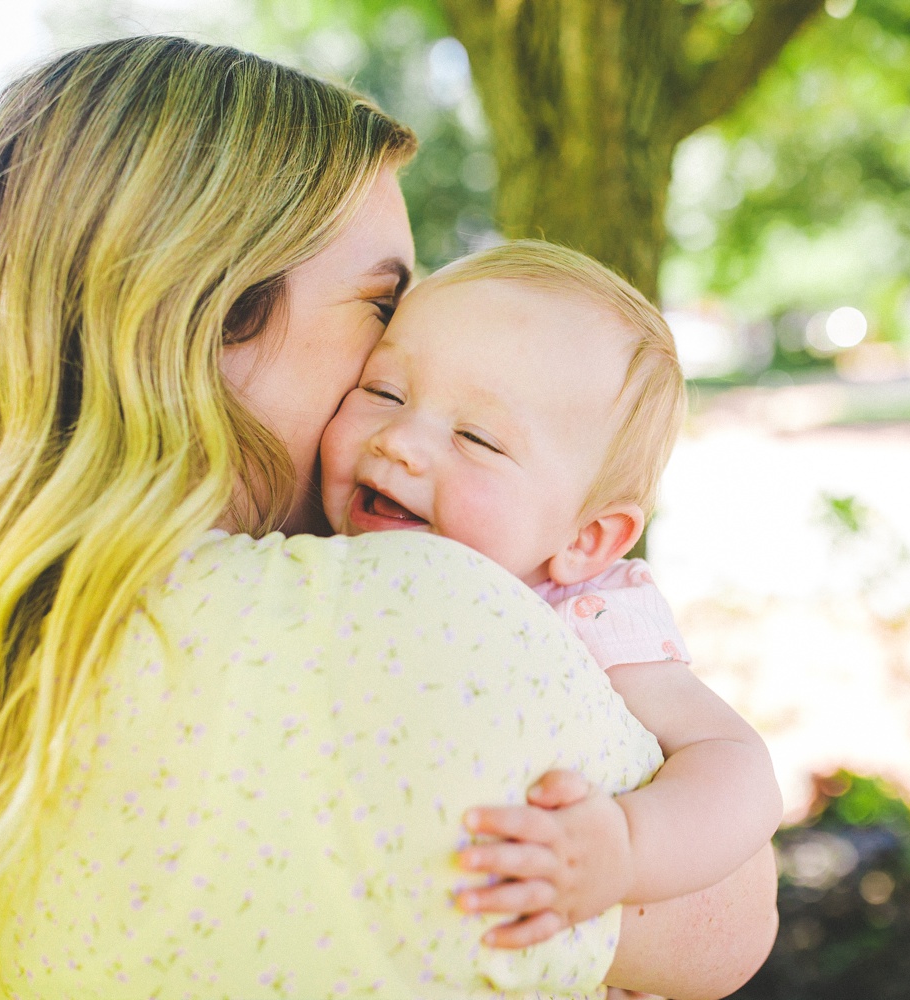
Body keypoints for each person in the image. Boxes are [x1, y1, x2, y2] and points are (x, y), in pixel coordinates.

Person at [0, 36, 778, 1000]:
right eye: (384, 304)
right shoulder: (403, 616)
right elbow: (727, 925)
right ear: (214, 317)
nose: (411, 357)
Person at [319, 240, 784, 945]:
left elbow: (739, 765)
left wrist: (626, 848)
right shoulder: (307, 559)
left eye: (476, 437)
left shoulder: (586, 614)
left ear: (585, 539)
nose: (400, 441)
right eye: (384, 391)